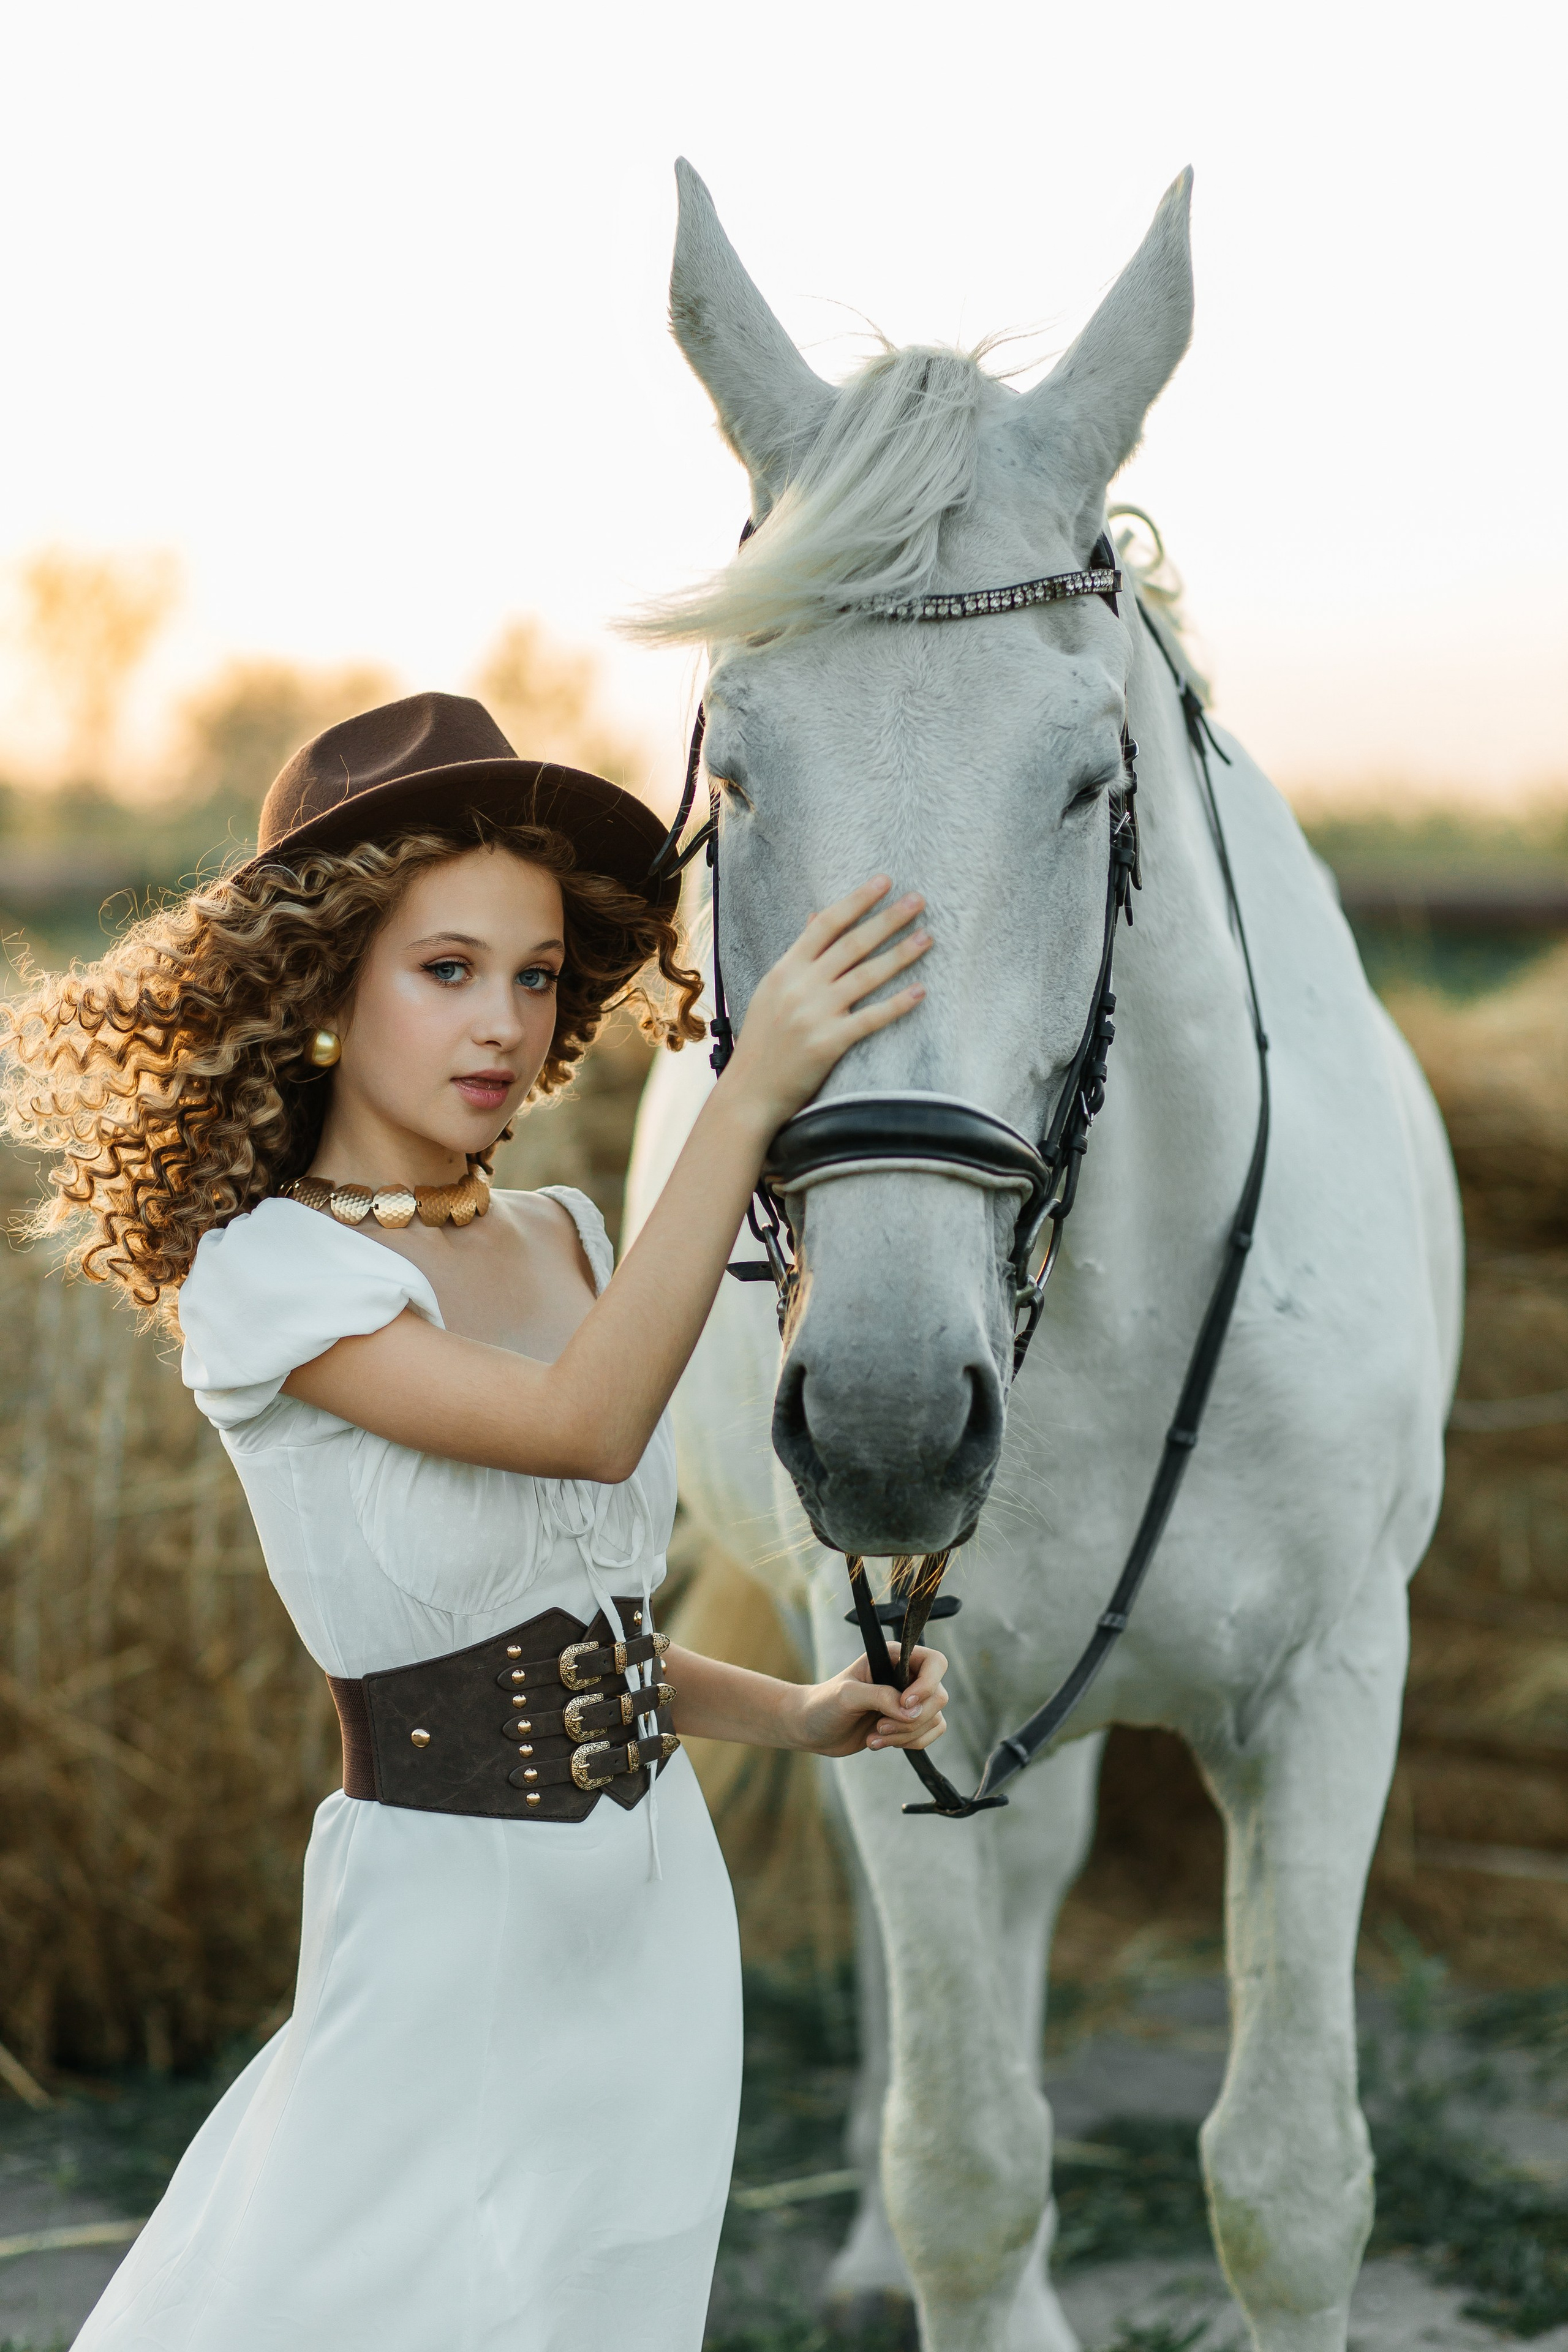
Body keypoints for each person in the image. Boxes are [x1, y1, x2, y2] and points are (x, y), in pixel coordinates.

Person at [0, 692, 948, 2350]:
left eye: (532, 975)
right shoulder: (276, 1277)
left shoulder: (572, 1234)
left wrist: (800, 1714)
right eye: (444, 970)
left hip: (653, 1903)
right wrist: (744, 1100)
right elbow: (584, 1437)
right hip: (446, 1919)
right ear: (323, 990)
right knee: (321, 2299)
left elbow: (580, 1619)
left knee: (600, 2306)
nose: (501, 1023)